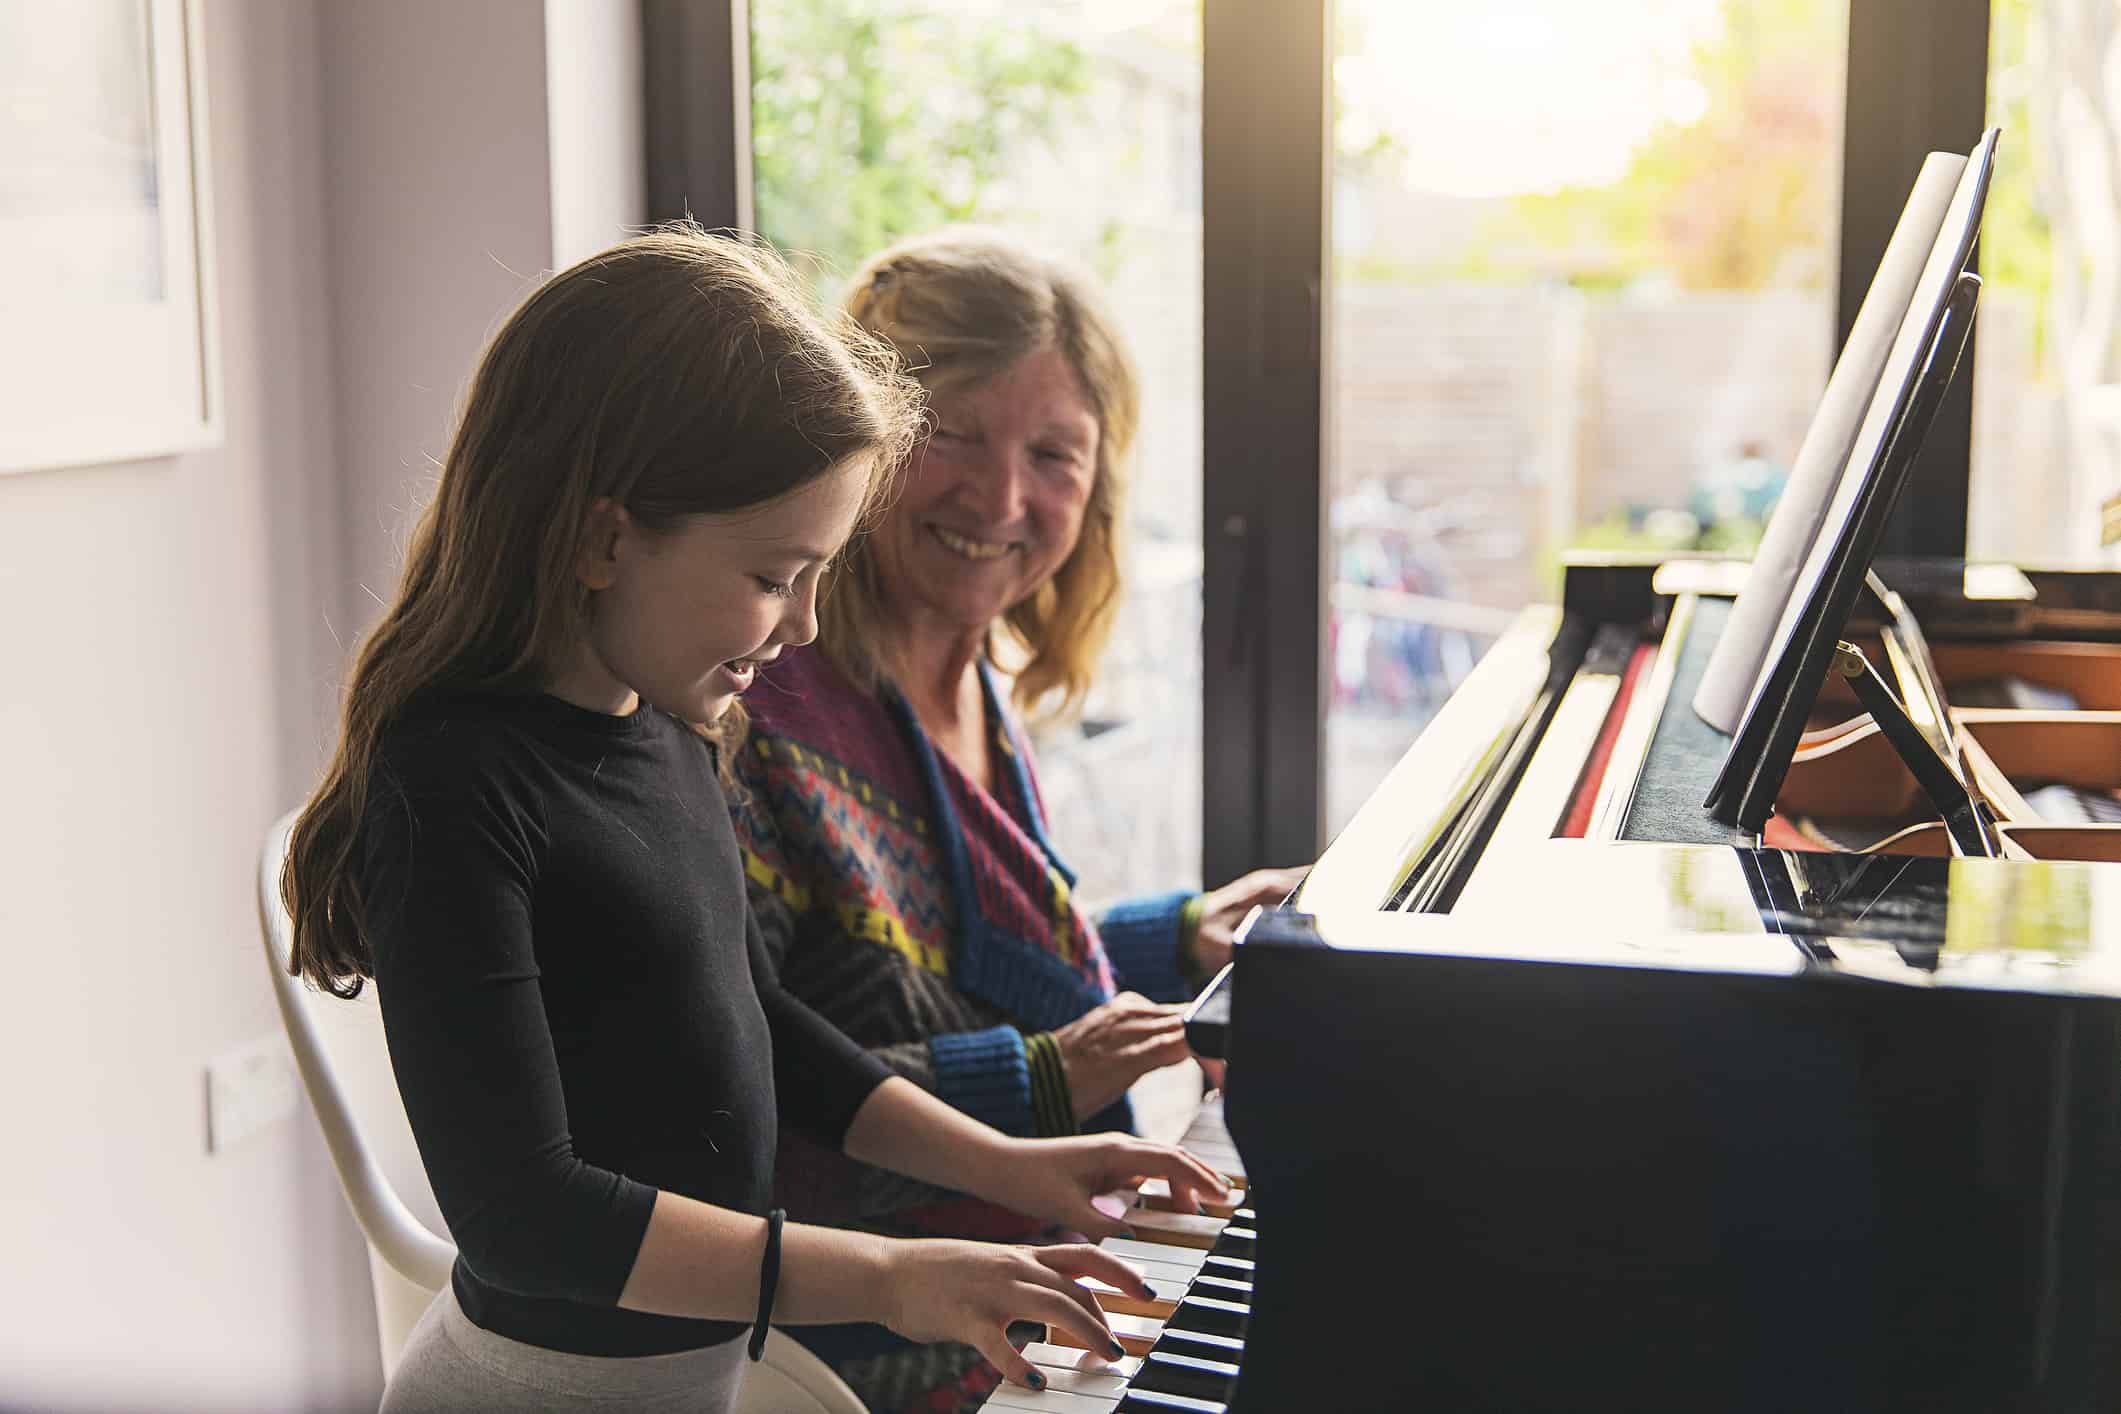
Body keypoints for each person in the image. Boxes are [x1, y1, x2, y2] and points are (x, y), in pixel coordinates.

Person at [279, 226, 1224, 1414]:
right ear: (604, 535)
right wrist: (890, 1277)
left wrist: (1013, 1162)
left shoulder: (667, 724)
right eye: (777, 577)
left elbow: (757, 1018)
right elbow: (528, 1220)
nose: (808, 627)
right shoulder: (457, 785)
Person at [730, 226, 1300, 1411]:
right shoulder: (764, 703)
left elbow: (953, 959)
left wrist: (1179, 934)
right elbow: (740, 1107)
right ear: (865, 437)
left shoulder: (972, 674)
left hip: (1030, 1272)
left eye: (1054, 454)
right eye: (954, 435)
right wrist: (1040, 1078)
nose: (1002, 498)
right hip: (861, 1346)